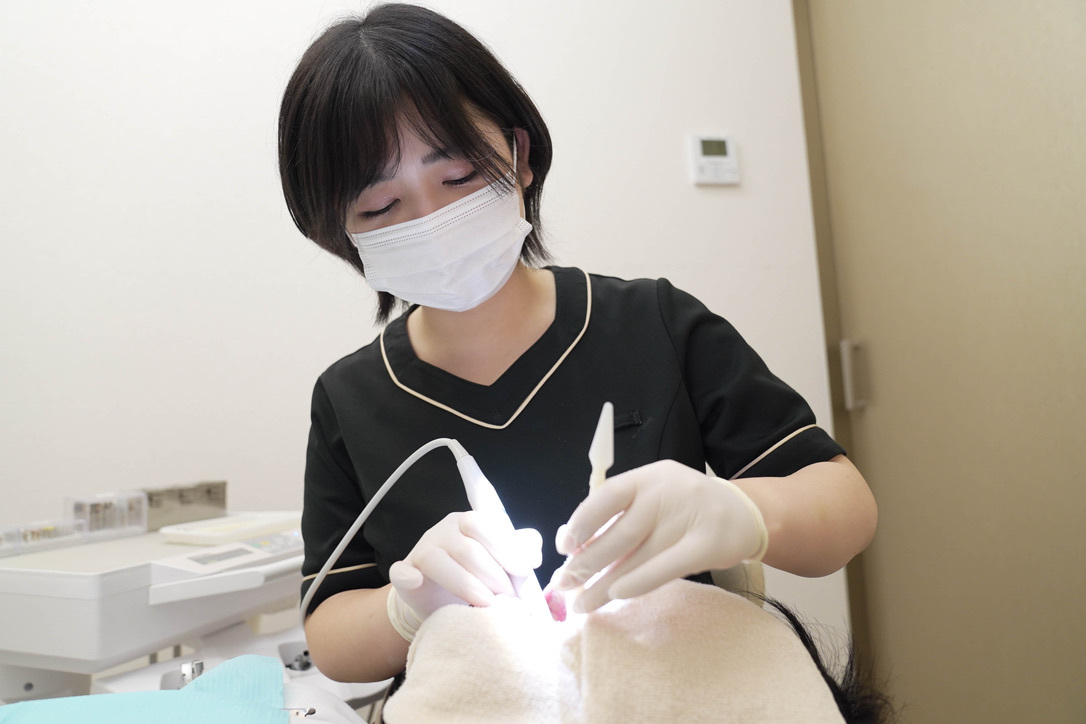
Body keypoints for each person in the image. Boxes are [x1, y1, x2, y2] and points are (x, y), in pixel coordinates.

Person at [279, 3, 877, 685]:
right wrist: (407, 607)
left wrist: (743, 515)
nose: (433, 221)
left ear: (519, 156)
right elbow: (331, 633)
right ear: (341, 231)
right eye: (382, 207)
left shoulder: (653, 324)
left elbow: (846, 505)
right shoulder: (350, 399)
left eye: (459, 176)